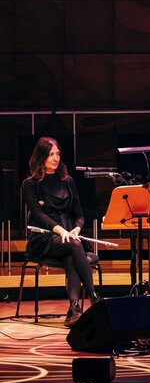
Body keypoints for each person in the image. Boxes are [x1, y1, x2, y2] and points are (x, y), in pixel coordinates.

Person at [21, 137, 100, 328]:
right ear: (41, 157)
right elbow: (39, 215)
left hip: (69, 237)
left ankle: (74, 309)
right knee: (74, 246)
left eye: (58, 154)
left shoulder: (68, 181)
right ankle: (94, 297)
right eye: (51, 154)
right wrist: (61, 230)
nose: (56, 158)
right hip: (44, 238)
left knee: (72, 255)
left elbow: (79, 215)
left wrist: (76, 228)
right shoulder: (30, 184)